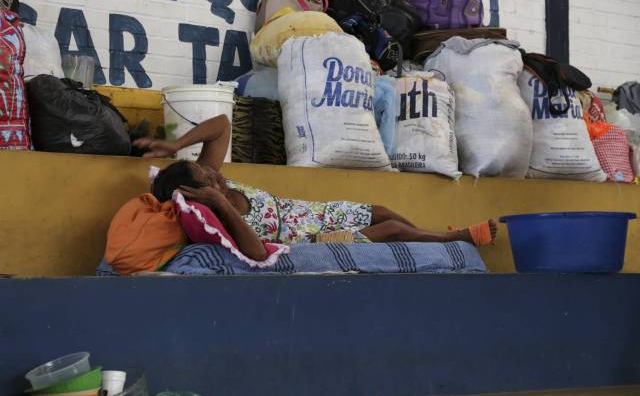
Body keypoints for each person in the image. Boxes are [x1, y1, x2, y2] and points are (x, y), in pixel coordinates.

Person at [134, 115, 497, 261]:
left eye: (207, 170)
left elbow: (222, 124)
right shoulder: (216, 212)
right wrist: (219, 202)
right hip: (311, 240)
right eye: (206, 179)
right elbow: (259, 254)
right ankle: (458, 239)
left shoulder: (211, 177)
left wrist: (173, 146)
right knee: (392, 229)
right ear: (197, 194)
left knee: (382, 211)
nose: (215, 176)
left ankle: (434, 237)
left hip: (313, 213)